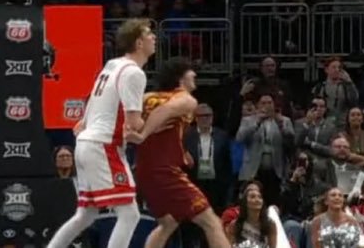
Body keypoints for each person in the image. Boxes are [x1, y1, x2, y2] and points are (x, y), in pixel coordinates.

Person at [47, 18, 157, 248]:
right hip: (103, 145)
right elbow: (134, 123)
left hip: (87, 142)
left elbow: (87, 113)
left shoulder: (112, 65)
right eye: (149, 34)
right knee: (130, 214)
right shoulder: (134, 73)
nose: (154, 37)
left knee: (85, 215)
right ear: (139, 43)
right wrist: (159, 118)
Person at [131, 58, 231, 248]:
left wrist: (181, 150)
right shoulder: (186, 99)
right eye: (191, 71)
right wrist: (144, 134)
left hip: (144, 171)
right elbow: (164, 111)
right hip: (165, 172)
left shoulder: (147, 97)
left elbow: (131, 120)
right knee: (212, 222)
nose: (195, 74)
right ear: (181, 77)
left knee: (168, 223)